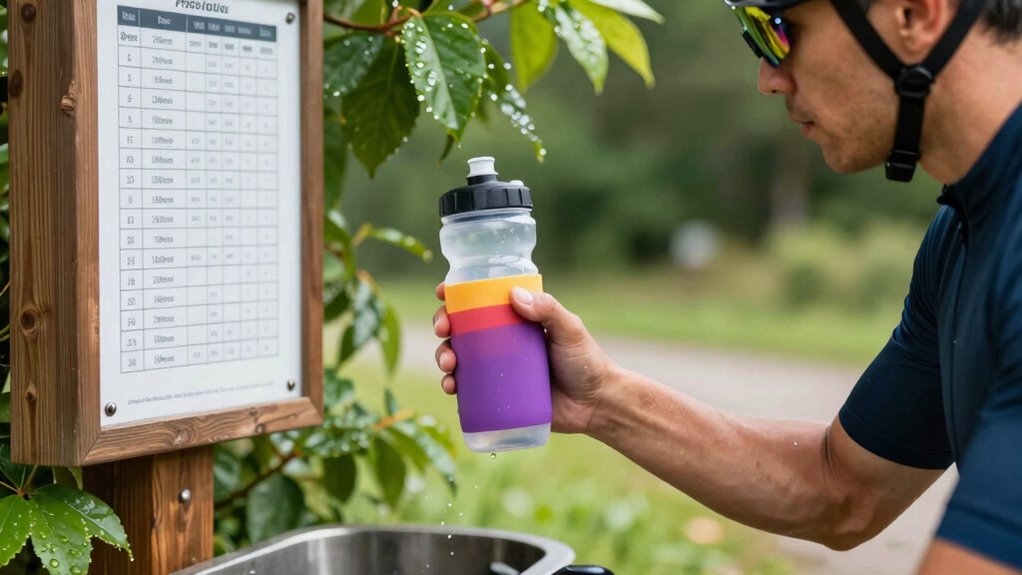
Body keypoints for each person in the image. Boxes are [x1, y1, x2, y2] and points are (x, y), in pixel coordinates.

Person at [433, 0, 1022, 571]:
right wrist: (599, 399)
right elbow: (843, 491)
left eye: (779, 28)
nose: (769, 77)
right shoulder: (962, 233)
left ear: (915, 13)